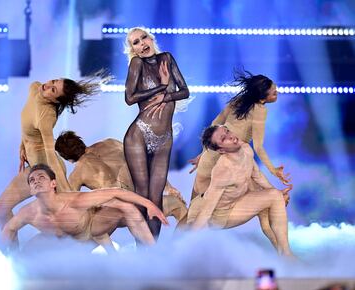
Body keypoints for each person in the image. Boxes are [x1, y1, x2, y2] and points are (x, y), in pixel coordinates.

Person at [189, 72, 291, 248]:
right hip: (229, 156)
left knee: (192, 211)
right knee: (263, 210)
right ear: (262, 98)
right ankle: (282, 251)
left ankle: (178, 250)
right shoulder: (260, 110)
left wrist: (205, 151)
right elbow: (258, 147)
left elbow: (215, 122)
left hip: (212, 155)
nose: (277, 93)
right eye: (274, 92)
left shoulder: (238, 101)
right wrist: (273, 170)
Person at [0, 77, 102, 231]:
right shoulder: (34, 87)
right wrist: (22, 145)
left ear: (56, 101)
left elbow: (51, 155)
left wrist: (65, 189)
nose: (48, 85)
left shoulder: (47, 116)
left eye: (53, 90)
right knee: (1, 207)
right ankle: (11, 253)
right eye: (53, 82)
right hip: (34, 166)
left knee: (68, 221)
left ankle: (94, 234)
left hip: (47, 169)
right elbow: (27, 125)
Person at [1, 164, 168, 251]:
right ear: (30, 190)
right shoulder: (27, 213)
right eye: (32, 180)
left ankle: (153, 253)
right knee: (24, 256)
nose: (36, 181)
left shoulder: (74, 201)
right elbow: (9, 229)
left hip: (90, 231)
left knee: (126, 208)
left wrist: (150, 204)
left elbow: (115, 191)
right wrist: (9, 253)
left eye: (41, 177)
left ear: (53, 184)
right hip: (62, 243)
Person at [123, 27, 189, 238]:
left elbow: (185, 91)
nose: (142, 44)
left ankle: (152, 254)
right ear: (132, 49)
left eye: (143, 38)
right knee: (142, 197)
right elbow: (130, 98)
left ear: (151, 39)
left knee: (155, 198)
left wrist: (166, 97)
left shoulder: (166, 59)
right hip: (139, 135)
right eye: (135, 42)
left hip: (164, 139)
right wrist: (161, 88)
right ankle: (141, 251)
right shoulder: (137, 64)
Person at [188, 125, 293, 256]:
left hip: (235, 201)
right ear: (221, 150)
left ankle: (286, 253)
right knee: (274, 198)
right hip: (219, 215)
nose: (231, 136)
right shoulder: (223, 171)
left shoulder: (245, 148)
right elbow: (207, 211)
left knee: (275, 195)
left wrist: (278, 193)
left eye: (227, 131)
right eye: (224, 138)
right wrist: (188, 243)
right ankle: (285, 254)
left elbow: (257, 175)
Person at [55, 131, 187, 223]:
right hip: (139, 202)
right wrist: (169, 187)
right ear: (80, 141)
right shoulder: (110, 143)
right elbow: (145, 162)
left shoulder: (77, 174)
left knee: (84, 228)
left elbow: (69, 206)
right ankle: (185, 251)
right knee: (179, 207)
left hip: (123, 212)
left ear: (66, 157)